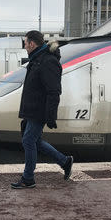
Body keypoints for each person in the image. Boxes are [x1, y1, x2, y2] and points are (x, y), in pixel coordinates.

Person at [11, 30, 73, 189]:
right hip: (32, 109)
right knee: (35, 141)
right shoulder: (37, 59)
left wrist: (50, 116)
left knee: (28, 140)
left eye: (25, 43)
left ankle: (28, 178)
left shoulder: (47, 61)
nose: (25, 46)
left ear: (32, 43)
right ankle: (65, 161)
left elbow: (54, 91)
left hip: (39, 110)